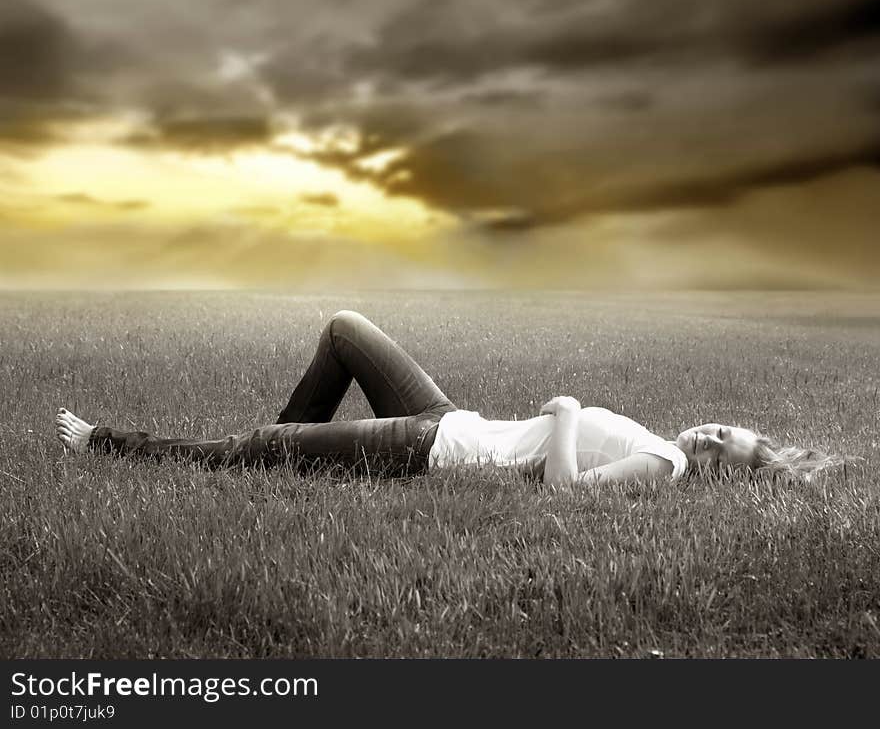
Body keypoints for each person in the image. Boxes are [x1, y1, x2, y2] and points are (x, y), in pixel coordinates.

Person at [54, 310, 834, 486]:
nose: (707, 436)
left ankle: (108, 442)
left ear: (716, 473)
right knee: (344, 330)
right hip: (449, 416)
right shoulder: (663, 440)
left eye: (718, 448)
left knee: (269, 446)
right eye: (721, 429)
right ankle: (271, 448)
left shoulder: (665, 465)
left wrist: (563, 415)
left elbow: (564, 493)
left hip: (435, 448)